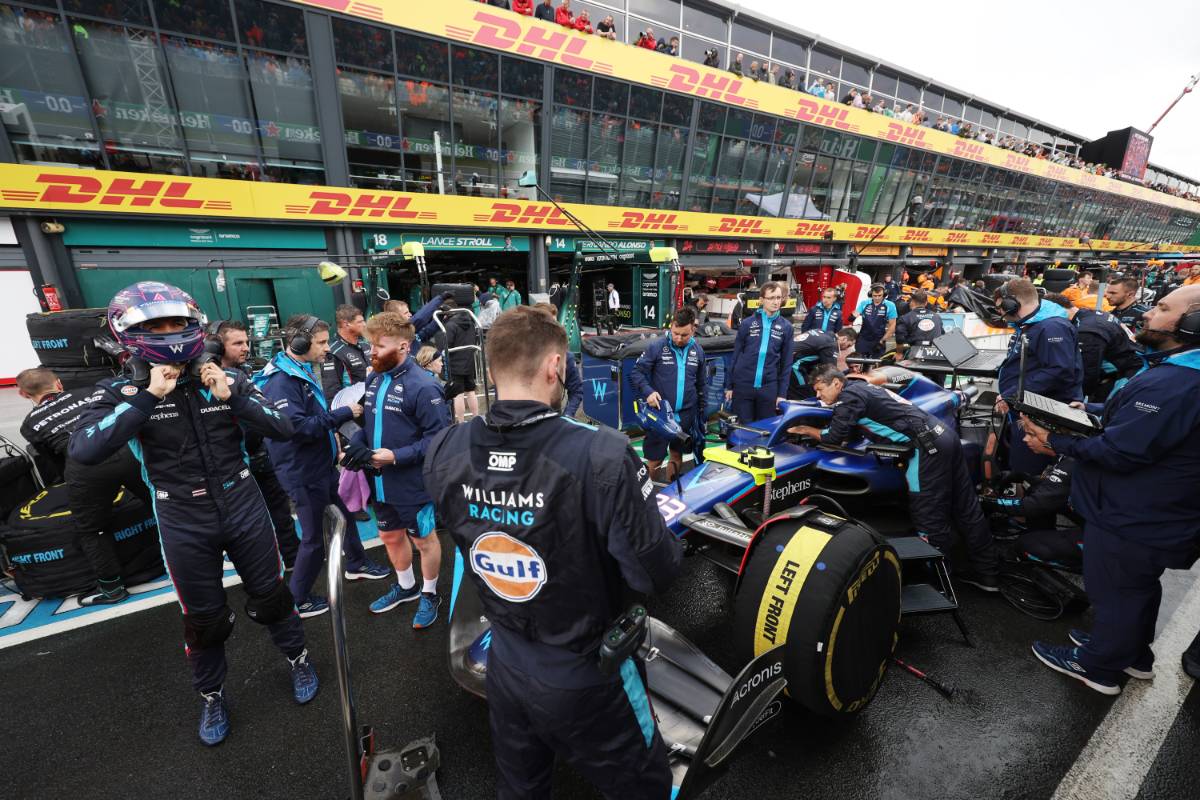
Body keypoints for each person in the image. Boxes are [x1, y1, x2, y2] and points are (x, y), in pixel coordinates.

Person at [422, 307, 682, 800]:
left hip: (504, 662)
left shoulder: (445, 448)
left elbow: (460, 528)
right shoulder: (601, 452)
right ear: (554, 366)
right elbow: (657, 570)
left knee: (522, 789)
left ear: (493, 370)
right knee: (645, 787)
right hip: (587, 672)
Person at [69, 281, 315, 746]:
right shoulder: (122, 389)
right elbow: (84, 449)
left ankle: (299, 658)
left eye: (176, 323)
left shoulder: (227, 377)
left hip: (242, 501)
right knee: (203, 619)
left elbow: (286, 427)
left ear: (193, 324)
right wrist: (146, 398)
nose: (168, 332)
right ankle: (211, 694)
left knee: (272, 595)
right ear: (130, 332)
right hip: (181, 513)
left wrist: (233, 395)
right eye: (154, 326)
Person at [1021, 284, 1200, 695]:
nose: (1149, 314)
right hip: (1155, 512)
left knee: (1115, 591)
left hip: (1135, 513)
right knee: (1136, 588)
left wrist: (1053, 442)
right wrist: (1094, 410)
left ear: (1192, 324)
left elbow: (1120, 450)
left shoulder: (1175, 383)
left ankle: (1099, 667)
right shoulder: (1178, 373)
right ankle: (1132, 654)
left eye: (1163, 308)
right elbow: (1146, 425)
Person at [790, 367, 1000, 589]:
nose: (818, 396)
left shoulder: (849, 397)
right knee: (966, 507)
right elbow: (855, 427)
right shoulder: (862, 388)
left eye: (820, 389)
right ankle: (988, 574)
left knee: (928, 515)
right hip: (945, 436)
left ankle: (937, 582)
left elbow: (834, 437)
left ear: (836, 383)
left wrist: (806, 429)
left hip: (925, 448)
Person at [258, 315, 390, 618]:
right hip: (302, 472)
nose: (325, 349)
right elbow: (298, 428)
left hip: (320, 466)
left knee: (345, 514)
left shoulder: (298, 370)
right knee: (313, 539)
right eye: (319, 343)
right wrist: (344, 412)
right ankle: (297, 599)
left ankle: (356, 564)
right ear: (299, 343)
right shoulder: (282, 381)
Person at [342, 313, 451, 628]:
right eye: (370, 344)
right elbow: (369, 424)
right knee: (389, 535)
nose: (371, 351)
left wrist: (396, 457)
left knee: (424, 540)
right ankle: (407, 587)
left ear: (403, 346)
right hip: (379, 482)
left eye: (379, 345)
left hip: (413, 484)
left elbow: (438, 440)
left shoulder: (425, 387)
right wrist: (358, 444)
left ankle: (430, 593)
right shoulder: (374, 378)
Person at [18, 367, 153, 605]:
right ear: (59, 384)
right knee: (163, 503)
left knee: (92, 529)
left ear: (23, 394)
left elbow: (54, 465)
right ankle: (199, 555)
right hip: (123, 450)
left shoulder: (29, 424)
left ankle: (112, 589)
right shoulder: (89, 392)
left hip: (83, 466)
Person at [212, 321, 299, 568]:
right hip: (232, 468)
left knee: (281, 514)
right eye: (238, 343)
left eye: (246, 342)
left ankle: (294, 559)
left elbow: (275, 420)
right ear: (218, 346)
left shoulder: (245, 373)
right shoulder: (203, 380)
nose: (245, 348)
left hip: (261, 456)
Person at [993, 278, 1083, 474]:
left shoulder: (1051, 327)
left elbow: (1059, 371)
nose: (1000, 313)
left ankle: (1029, 500)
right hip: (1028, 407)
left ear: (1012, 304)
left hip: (1042, 414)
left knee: (1028, 469)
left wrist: (1013, 394)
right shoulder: (1031, 325)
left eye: (1002, 307)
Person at [630, 306, 706, 481]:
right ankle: (647, 496)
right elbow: (636, 372)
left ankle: (672, 493)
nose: (678, 338)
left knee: (677, 456)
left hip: (686, 415)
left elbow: (701, 385)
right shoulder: (657, 347)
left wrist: (701, 413)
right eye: (675, 333)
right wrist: (648, 392)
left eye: (684, 335)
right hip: (661, 416)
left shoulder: (698, 351)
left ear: (693, 330)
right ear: (671, 327)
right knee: (654, 460)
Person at [1044, 294, 1141, 401]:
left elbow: (1087, 372)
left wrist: (1073, 400)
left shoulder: (1087, 330)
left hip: (1122, 376)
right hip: (1127, 366)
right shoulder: (1091, 314)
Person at [726, 282, 792, 422]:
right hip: (743, 385)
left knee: (765, 429)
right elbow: (736, 355)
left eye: (779, 298)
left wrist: (782, 394)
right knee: (741, 429)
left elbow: (787, 363)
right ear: (761, 300)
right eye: (771, 298)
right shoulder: (747, 324)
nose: (776, 302)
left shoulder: (786, 327)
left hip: (768, 388)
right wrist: (729, 386)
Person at [533, 302, 584, 416]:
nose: (553, 330)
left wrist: (567, 417)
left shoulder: (565, 356)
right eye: (549, 326)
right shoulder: (519, 354)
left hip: (553, 423)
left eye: (555, 325)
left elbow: (576, 390)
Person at [440, 298, 480, 422]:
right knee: (470, 391)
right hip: (469, 362)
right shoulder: (471, 321)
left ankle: (461, 422)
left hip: (455, 363)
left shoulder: (450, 324)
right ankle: (476, 418)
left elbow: (446, 345)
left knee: (458, 394)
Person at [322, 304, 371, 404]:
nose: (365, 324)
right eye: (360, 322)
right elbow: (331, 393)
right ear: (346, 324)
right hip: (354, 410)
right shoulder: (333, 352)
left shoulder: (366, 345)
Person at [787, 329, 838, 400]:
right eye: (849, 345)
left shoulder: (820, 332)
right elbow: (830, 370)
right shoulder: (830, 343)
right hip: (794, 366)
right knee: (804, 394)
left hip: (785, 360)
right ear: (845, 339)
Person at [852, 283, 898, 359]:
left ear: (884, 294)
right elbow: (855, 314)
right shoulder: (864, 303)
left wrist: (882, 341)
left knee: (875, 366)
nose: (877, 298)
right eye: (874, 296)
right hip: (863, 339)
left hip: (879, 340)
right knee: (858, 362)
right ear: (871, 294)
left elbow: (893, 325)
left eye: (879, 295)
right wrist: (852, 317)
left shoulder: (890, 305)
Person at [894, 289, 945, 357]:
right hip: (935, 354)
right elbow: (942, 335)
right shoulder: (937, 317)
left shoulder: (905, 318)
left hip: (914, 354)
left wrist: (899, 353)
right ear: (926, 303)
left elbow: (900, 339)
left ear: (912, 302)